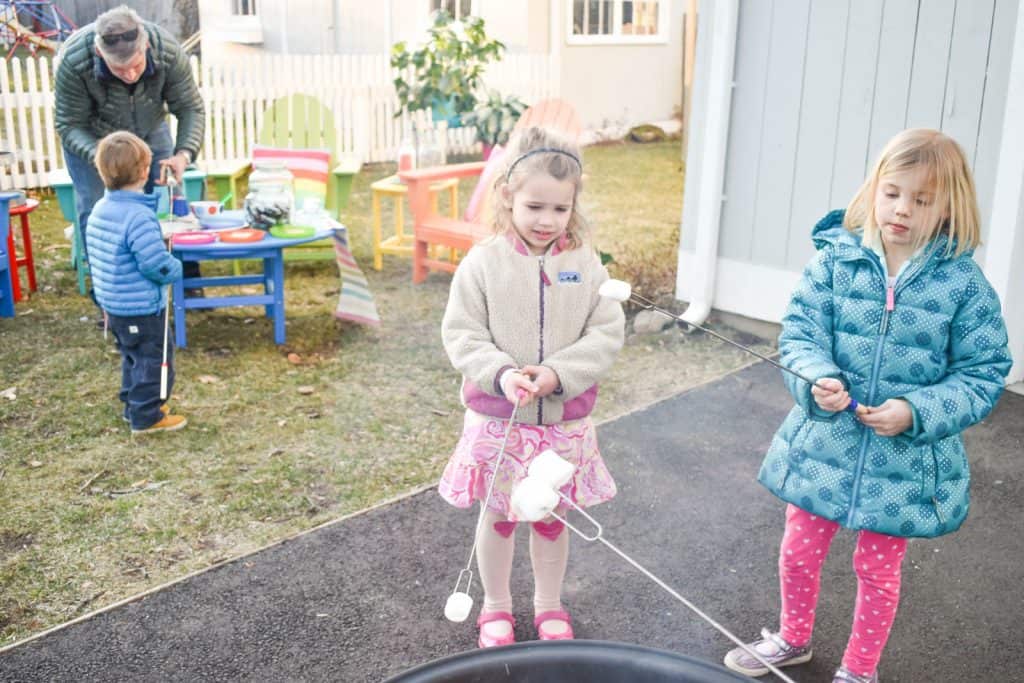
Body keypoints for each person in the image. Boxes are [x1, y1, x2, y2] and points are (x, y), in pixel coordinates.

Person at [723, 129, 1012, 682]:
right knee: (798, 552)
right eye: (892, 192)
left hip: (903, 460)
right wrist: (817, 379)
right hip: (824, 442)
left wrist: (915, 411)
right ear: (873, 189)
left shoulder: (963, 286)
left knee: (877, 571)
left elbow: (982, 373)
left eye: (922, 200)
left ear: (949, 207)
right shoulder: (835, 261)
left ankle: (859, 672)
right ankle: (792, 639)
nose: (901, 209)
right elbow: (801, 335)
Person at [439, 127, 625, 648]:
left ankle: (548, 604)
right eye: (535, 206)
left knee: (549, 517)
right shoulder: (482, 263)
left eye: (560, 210)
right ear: (507, 196)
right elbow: (462, 333)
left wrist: (559, 374)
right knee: (498, 515)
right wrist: (502, 373)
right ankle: (496, 605)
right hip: (499, 420)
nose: (547, 220)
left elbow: (606, 331)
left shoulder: (585, 264)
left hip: (563, 421)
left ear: (574, 205)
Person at [54, 5, 205, 298]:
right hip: (93, 137)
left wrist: (183, 154)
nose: (131, 74)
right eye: (120, 70)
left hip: (150, 127)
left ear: (146, 45)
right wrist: (101, 155)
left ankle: (187, 281)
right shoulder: (75, 61)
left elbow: (190, 107)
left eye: (136, 65)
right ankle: (108, 292)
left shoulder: (168, 52)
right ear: (100, 55)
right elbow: (69, 124)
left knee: (172, 195)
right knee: (96, 208)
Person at [86, 131, 187, 435]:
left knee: (133, 357)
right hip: (141, 306)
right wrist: (174, 267)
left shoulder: (101, 209)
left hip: (115, 305)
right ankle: (146, 416)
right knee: (153, 359)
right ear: (144, 171)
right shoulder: (137, 217)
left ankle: (135, 405)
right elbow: (154, 264)